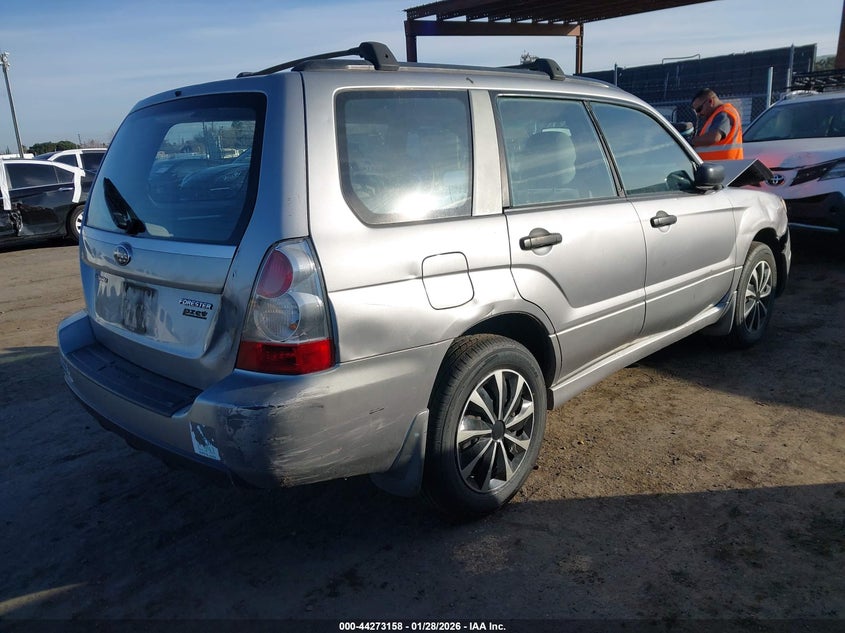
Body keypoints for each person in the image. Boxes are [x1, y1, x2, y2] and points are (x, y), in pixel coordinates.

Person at [690, 88, 743, 159]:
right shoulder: (716, 116)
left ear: (710, 101)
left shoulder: (723, 114)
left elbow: (714, 137)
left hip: (725, 165)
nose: (698, 114)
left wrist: (690, 141)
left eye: (699, 109)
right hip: (721, 165)